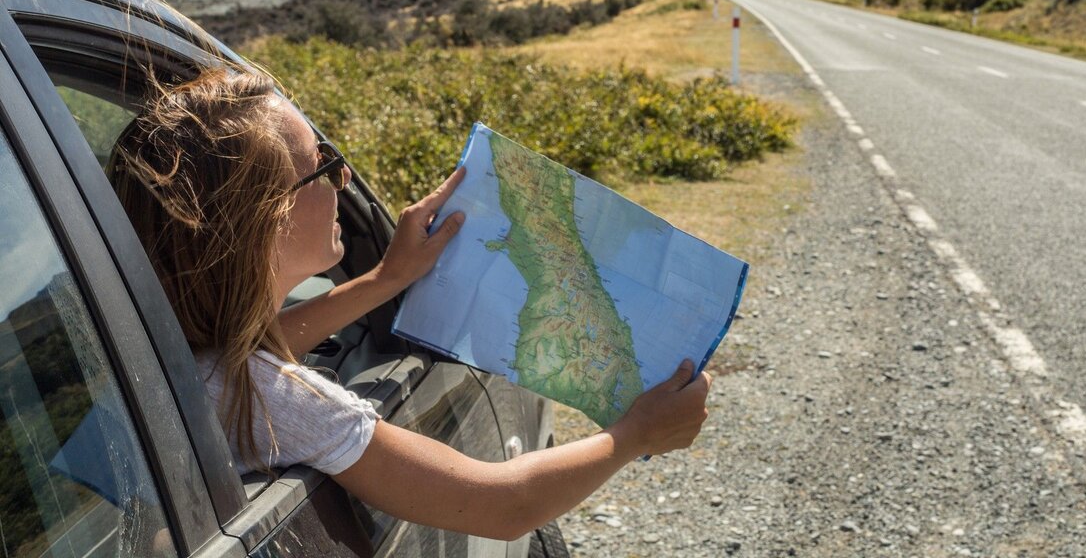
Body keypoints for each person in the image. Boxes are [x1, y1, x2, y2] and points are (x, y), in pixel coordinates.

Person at [107, 67, 712, 541]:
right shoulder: (282, 403)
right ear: (269, 221)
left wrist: (386, 279)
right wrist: (635, 434)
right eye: (324, 168)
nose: (342, 182)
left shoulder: (176, 356)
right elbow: (504, 504)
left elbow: (247, 354)